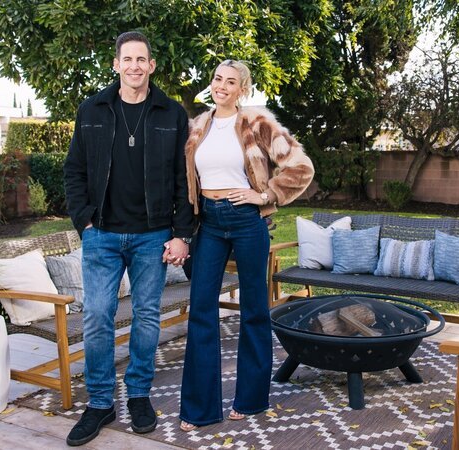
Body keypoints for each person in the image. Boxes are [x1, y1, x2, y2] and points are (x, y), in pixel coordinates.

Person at [63, 31, 193, 446]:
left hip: (152, 236)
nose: (135, 66)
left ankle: (138, 395)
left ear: (151, 66)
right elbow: (74, 170)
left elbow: (184, 178)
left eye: (142, 59)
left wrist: (182, 234)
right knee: (97, 316)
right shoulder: (92, 110)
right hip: (101, 234)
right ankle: (100, 402)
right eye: (128, 59)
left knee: (147, 316)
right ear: (116, 64)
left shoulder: (171, 113)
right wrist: (84, 221)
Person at [178, 59, 314, 431]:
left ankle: (251, 400)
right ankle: (199, 409)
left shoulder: (257, 122)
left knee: (254, 310)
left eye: (230, 81)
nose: (221, 86)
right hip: (208, 222)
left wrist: (266, 194)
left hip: (246, 221)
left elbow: (301, 167)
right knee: (201, 309)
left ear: (243, 89)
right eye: (217, 79)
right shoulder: (197, 126)